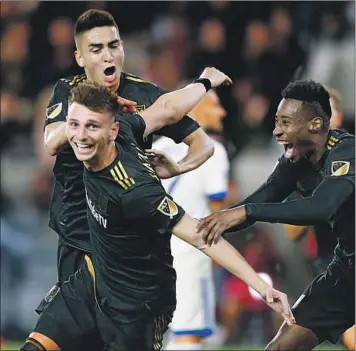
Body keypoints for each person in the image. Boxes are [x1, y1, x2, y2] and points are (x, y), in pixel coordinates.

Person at [21, 76, 295, 351]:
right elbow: (167, 108)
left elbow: (200, 236)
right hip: (92, 279)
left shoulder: (135, 190)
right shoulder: (126, 128)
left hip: (136, 306)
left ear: (112, 131)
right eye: (74, 125)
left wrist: (262, 286)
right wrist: (205, 80)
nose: (80, 136)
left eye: (92, 126)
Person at [42, 9, 214, 289]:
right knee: (80, 329)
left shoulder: (146, 94)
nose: (108, 56)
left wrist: (178, 167)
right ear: (80, 58)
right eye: (96, 49)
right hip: (78, 235)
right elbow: (51, 143)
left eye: (114, 45)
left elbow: (203, 143)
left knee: (128, 325)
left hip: (129, 234)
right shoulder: (67, 91)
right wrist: (91, 111)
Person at [197, 79, 355, 350]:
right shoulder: (295, 161)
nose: (276, 131)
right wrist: (210, 224)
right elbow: (261, 199)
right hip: (347, 267)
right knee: (281, 346)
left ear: (315, 125)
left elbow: (322, 206)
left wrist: (246, 211)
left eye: (285, 122)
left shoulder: (347, 152)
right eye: (276, 121)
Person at [151, 90, 229, 350]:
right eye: (214, 105)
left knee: (160, 333)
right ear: (193, 109)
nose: (222, 112)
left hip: (150, 250)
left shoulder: (158, 147)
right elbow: (218, 212)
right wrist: (221, 253)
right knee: (189, 334)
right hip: (189, 249)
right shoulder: (214, 150)